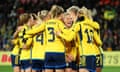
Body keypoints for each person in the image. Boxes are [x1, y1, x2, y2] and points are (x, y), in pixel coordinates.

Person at [26, 5, 66, 72]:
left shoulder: (37, 27)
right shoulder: (56, 24)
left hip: (39, 55)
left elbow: (28, 38)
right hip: (50, 53)